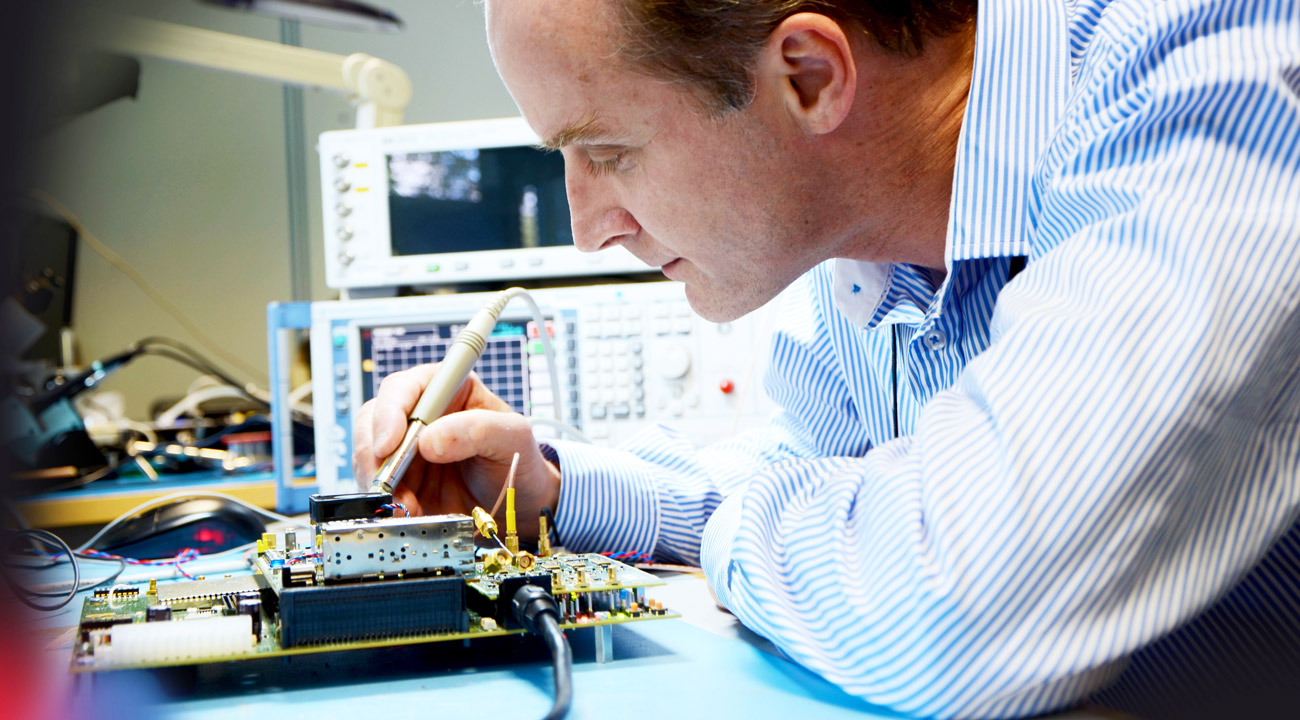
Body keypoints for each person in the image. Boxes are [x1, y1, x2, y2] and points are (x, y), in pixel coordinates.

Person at [354, 1, 1300, 717]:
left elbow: (956, 610)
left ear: (808, 76)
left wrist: (742, 533)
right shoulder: (866, 223)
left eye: (608, 150)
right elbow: (813, 479)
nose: (589, 228)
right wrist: (554, 488)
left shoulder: (1205, 78)